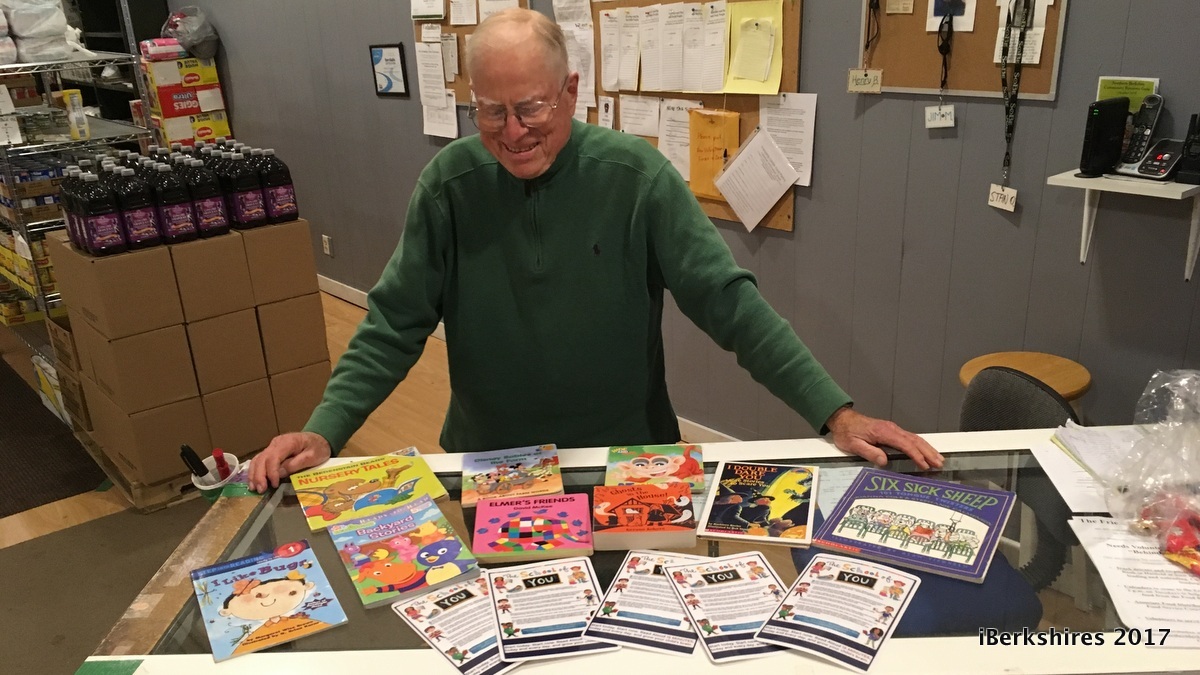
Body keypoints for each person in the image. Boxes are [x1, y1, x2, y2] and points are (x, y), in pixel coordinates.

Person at [248, 8, 942, 494]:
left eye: (532, 107)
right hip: (497, 469)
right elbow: (392, 325)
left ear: (571, 92)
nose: (513, 131)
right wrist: (326, 430)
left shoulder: (638, 179)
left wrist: (834, 413)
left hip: (630, 463)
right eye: (491, 110)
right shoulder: (447, 186)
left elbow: (730, 304)